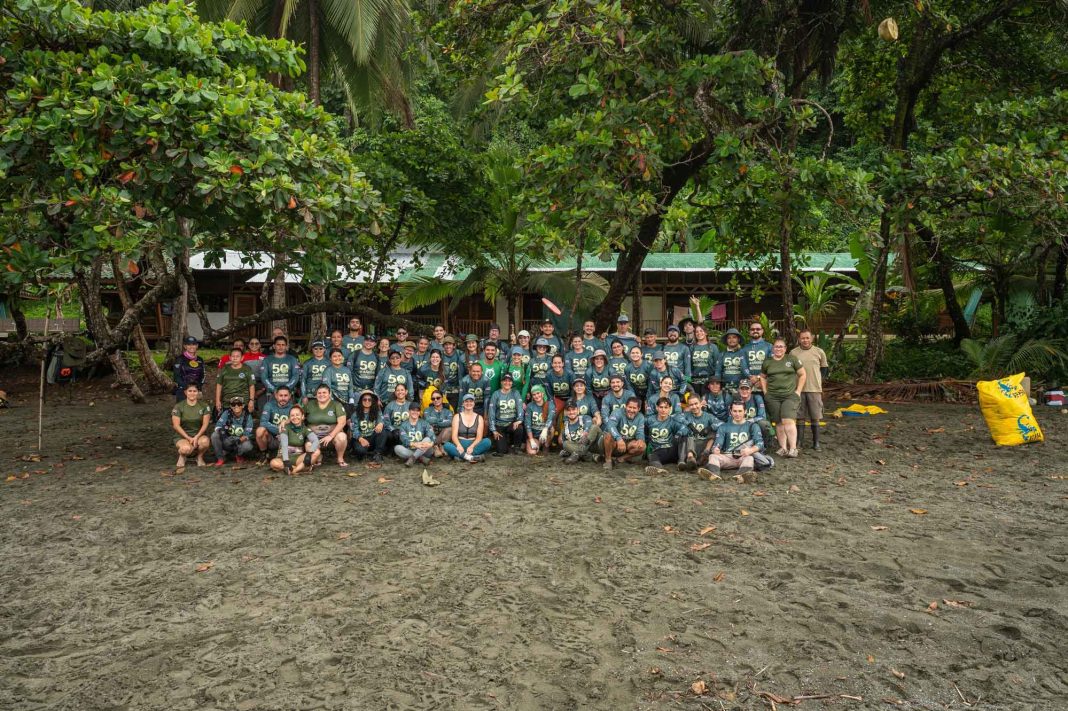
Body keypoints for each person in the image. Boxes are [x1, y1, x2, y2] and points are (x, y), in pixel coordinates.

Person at [761, 338, 806, 458]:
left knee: (788, 420)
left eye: (781, 346)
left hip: (790, 395)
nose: (778, 349)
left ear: (785, 349)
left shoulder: (791, 359)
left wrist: (798, 391)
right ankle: (783, 448)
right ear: (773, 348)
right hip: (773, 396)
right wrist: (766, 392)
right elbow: (763, 377)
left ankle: (793, 448)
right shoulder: (767, 362)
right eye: (776, 346)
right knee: (779, 422)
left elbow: (802, 374)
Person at [706, 401, 769, 483]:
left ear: (745, 411)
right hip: (728, 456)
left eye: (740, 411)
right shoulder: (724, 427)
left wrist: (750, 450)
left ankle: (741, 476)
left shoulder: (753, 426)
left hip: (743, 456)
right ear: (731, 412)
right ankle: (714, 475)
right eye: (735, 411)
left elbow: (760, 443)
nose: (737, 414)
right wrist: (715, 449)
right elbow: (718, 443)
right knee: (712, 456)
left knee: (749, 458)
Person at [790, 328, 829, 450]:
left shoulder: (819, 352)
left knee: (815, 416)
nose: (805, 340)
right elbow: (790, 371)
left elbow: (824, 368)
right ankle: (799, 442)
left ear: (811, 338)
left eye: (807, 338)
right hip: (798, 389)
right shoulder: (793, 353)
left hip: (814, 389)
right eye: (802, 338)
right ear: (799, 339)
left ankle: (816, 443)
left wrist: (818, 381)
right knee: (799, 416)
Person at [171, 383, 211, 471]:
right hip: (182, 436)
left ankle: (199, 457)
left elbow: (205, 424)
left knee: (205, 442)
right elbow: (176, 425)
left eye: (194, 391)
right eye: (190, 391)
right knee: (185, 449)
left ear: (198, 393)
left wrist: (196, 437)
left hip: (199, 435)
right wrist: (188, 438)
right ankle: (182, 456)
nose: (192, 393)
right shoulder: (179, 406)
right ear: (185, 392)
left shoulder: (204, 406)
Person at [269, 405, 319, 475]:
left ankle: (293, 470)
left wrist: (309, 453)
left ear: (302, 416)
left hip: (298, 458)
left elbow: (316, 441)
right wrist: (286, 461)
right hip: (283, 457)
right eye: (292, 415)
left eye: (297, 415)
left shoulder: (305, 429)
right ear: (289, 417)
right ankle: (302, 468)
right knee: (273, 463)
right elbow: (284, 445)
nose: (295, 417)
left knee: (316, 451)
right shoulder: (285, 428)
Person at [306, 384, 348, 466]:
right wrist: (286, 421)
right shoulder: (310, 404)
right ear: (316, 394)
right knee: (308, 445)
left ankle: (340, 458)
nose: (321, 395)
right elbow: (298, 414)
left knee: (342, 437)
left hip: (332, 437)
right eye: (319, 393)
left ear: (329, 394)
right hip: (314, 436)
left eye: (324, 392)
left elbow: (342, 422)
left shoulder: (336, 405)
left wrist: (330, 436)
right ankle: (318, 456)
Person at [677, 393, 720, 471]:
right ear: (688, 406)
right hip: (690, 445)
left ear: (701, 403)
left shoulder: (708, 416)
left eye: (696, 403)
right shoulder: (686, 415)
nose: (694, 407)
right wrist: (689, 425)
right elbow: (676, 417)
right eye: (691, 405)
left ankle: (704, 455)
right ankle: (690, 458)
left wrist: (709, 428)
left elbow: (721, 423)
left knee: (714, 433)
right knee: (686, 432)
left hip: (703, 446)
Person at [600, 396, 645, 470]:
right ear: (625, 406)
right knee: (608, 435)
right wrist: (619, 439)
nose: (631, 410)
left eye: (634, 408)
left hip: (627, 442)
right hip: (614, 442)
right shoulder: (617, 412)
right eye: (629, 407)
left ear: (639, 409)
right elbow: (611, 426)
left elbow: (640, 432)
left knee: (642, 446)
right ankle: (608, 460)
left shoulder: (641, 417)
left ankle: (620, 459)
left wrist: (640, 439)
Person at [445, 393, 491, 462]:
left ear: (474, 403)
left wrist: (472, 446)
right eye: (466, 401)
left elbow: (479, 437)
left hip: (474, 445)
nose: (468, 403)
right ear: (463, 403)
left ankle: (461, 457)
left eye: (471, 401)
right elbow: (454, 436)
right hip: (460, 443)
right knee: (446, 445)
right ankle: (471, 457)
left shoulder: (479, 418)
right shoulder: (457, 416)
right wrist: (458, 445)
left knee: (487, 442)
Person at [645, 396, 684, 475]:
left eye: (666, 407)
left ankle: (683, 461)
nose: (663, 410)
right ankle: (659, 469)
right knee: (652, 456)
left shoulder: (673, 421)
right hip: (657, 451)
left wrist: (679, 433)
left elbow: (684, 428)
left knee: (684, 437)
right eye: (661, 407)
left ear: (670, 409)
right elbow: (643, 432)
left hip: (671, 450)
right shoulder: (649, 420)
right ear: (657, 408)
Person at [487, 372, 525, 455]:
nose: (507, 383)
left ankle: (517, 447)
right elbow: (491, 413)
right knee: (501, 451)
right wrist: (493, 430)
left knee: (519, 428)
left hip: (511, 423)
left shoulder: (515, 393)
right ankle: (505, 445)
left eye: (509, 381)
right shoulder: (496, 394)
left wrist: (519, 420)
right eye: (505, 380)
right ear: (501, 382)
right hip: (499, 424)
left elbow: (520, 408)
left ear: (512, 382)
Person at [211, 396, 254, 466]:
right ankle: (221, 458)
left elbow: (247, 434)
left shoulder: (248, 416)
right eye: (233, 405)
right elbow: (218, 426)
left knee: (248, 446)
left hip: (240, 440)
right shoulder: (226, 413)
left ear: (243, 406)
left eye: (239, 404)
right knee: (214, 435)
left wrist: (238, 441)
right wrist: (223, 433)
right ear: (231, 406)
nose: (236, 406)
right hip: (227, 439)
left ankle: (238, 455)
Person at [215, 346, 255, 417]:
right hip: (227, 401)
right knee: (227, 424)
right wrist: (217, 400)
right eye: (233, 356)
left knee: (243, 423)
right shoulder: (224, 369)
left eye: (237, 356)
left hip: (243, 402)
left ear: (242, 358)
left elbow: (251, 385)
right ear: (230, 357)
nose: (235, 358)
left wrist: (251, 401)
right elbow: (219, 385)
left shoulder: (247, 369)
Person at [256, 385, 294, 458]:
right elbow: (263, 422)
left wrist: (284, 431)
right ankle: (264, 454)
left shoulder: (293, 407)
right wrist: (278, 430)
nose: (283, 398)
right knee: (260, 430)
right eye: (281, 395)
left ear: (289, 396)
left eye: (285, 395)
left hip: (287, 437)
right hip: (271, 436)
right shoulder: (269, 405)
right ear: (276, 396)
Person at [559, 400, 601, 464]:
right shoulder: (565, 428)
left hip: (593, 445)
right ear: (565, 412)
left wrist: (585, 432)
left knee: (594, 427)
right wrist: (567, 450)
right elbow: (568, 444)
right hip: (580, 447)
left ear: (578, 410)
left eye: (573, 409)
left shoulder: (585, 418)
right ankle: (592, 456)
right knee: (565, 444)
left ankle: (577, 455)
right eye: (569, 410)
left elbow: (589, 424)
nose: (571, 412)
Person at [394, 401, 435, 466]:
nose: (415, 412)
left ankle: (413, 458)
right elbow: (404, 440)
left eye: (417, 411)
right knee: (397, 448)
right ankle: (420, 458)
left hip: (424, 450)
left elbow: (431, 435)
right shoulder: (403, 425)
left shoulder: (424, 423)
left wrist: (431, 444)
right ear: (409, 411)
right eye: (413, 410)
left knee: (427, 439)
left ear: (419, 412)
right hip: (410, 449)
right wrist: (415, 444)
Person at [260, 335, 301, 401]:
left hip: (288, 393)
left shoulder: (292, 359)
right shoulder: (267, 360)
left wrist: (286, 389)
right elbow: (264, 377)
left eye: (283, 345)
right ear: (274, 346)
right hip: (272, 393)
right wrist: (274, 389)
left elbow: (295, 376)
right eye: (278, 345)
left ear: (286, 346)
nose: (280, 347)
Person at [351, 390, 387, 463]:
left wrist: (380, 424)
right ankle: (363, 453)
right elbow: (354, 430)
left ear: (372, 401)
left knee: (382, 431)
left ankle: (377, 454)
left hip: (372, 437)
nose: (367, 401)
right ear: (361, 401)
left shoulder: (377, 411)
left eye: (369, 399)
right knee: (360, 451)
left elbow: (381, 420)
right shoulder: (355, 414)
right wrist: (361, 439)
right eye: (364, 399)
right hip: (360, 438)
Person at [523, 385, 556, 455]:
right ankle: (535, 443)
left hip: (545, 434)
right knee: (532, 453)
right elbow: (527, 424)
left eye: (538, 393)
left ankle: (546, 445)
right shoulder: (530, 406)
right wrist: (531, 439)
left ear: (542, 393)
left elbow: (550, 418)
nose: (536, 396)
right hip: (534, 435)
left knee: (552, 429)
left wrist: (545, 429)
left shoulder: (550, 404)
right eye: (534, 394)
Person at [322, 348, 356, 413]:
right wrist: (330, 400)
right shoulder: (328, 370)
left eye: (339, 356)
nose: (337, 358)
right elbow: (326, 387)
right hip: (334, 400)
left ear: (342, 357)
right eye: (334, 356)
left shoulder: (347, 370)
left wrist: (351, 399)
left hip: (347, 401)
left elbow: (350, 386)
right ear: (330, 359)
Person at [422, 389, 454, 458]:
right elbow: (427, 420)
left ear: (442, 398)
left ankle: (441, 446)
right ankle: (436, 447)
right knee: (429, 427)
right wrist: (442, 421)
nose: (435, 400)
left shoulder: (448, 411)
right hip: (431, 435)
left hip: (443, 435)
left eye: (438, 398)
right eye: (433, 399)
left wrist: (435, 421)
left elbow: (450, 422)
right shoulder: (427, 410)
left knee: (450, 429)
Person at [172, 336, 205, 402]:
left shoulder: (200, 360)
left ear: (197, 346)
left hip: (195, 390)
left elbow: (202, 375)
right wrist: (186, 388)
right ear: (185, 346)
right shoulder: (179, 359)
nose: (191, 346)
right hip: (182, 390)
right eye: (189, 344)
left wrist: (199, 389)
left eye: (193, 344)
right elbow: (176, 376)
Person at [741, 321, 773, 388]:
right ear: (749, 332)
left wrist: (759, 378)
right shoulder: (744, 348)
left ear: (762, 331)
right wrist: (750, 377)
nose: (755, 331)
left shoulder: (769, 346)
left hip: (765, 382)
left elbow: (771, 365)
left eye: (758, 329)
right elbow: (743, 365)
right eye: (752, 329)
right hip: (749, 382)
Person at [689, 324, 719, 394]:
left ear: (706, 332)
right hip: (695, 379)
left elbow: (717, 365)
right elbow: (689, 364)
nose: (699, 333)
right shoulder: (692, 347)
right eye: (697, 332)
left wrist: (714, 380)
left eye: (701, 331)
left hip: (708, 379)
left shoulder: (713, 347)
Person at [382, 383, 412, 448]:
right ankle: (392, 449)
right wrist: (393, 429)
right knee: (390, 434)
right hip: (394, 431)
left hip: (408, 430)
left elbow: (415, 419)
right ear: (395, 393)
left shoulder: (410, 405)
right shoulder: (389, 405)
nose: (400, 392)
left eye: (402, 390)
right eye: (398, 390)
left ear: (406, 392)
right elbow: (386, 421)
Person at [717, 328, 746, 395]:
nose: (731, 340)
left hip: (741, 388)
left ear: (738, 339)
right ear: (726, 340)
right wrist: (718, 386)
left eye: (734, 337)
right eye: (729, 338)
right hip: (726, 387)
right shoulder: (722, 354)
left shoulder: (744, 352)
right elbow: (718, 371)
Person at [440, 335, 465, 408]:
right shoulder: (440, 355)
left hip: (456, 387)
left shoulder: (459, 354)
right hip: (443, 387)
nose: (448, 346)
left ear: (454, 345)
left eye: (450, 344)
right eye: (446, 345)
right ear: (443, 346)